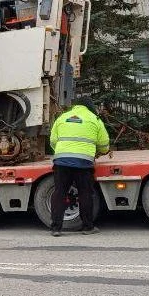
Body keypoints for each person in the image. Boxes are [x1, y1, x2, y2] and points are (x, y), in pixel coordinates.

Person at [48, 98, 110, 236]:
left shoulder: (62, 118)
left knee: (59, 193)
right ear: (89, 107)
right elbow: (104, 144)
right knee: (85, 194)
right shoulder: (95, 119)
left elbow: (52, 141)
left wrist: (61, 152)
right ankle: (87, 227)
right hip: (84, 163)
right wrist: (101, 151)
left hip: (61, 162)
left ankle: (56, 228)